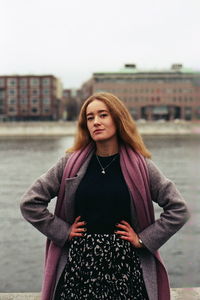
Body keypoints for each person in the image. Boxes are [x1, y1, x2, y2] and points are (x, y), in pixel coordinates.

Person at [20, 92, 190, 300]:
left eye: (103, 115)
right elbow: (30, 202)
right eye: (90, 118)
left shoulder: (142, 166)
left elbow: (178, 210)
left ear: (118, 119)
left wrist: (143, 239)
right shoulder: (70, 164)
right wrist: (62, 231)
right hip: (79, 269)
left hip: (126, 270)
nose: (96, 122)